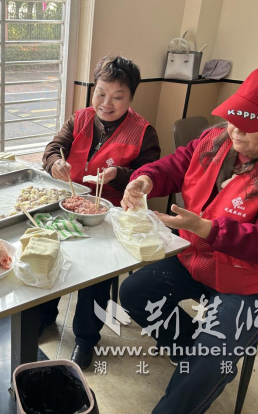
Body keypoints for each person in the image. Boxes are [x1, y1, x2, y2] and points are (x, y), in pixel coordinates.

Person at [119, 65, 258, 413]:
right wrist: (146, 179)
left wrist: (208, 228)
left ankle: (202, 369)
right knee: (135, 292)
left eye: (251, 124)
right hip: (202, 257)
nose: (237, 130)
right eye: (234, 118)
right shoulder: (216, 139)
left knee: (210, 357)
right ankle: (193, 356)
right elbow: (175, 166)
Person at [41, 55, 161, 369]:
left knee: (96, 274)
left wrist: (120, 175)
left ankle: (85, 339)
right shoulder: (79, 119)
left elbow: (150, 176)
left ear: (131, 98)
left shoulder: (143, 132)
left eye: (118, 97)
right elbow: (54, 147)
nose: (106, 103)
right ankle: (44, 315)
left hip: (112, 215)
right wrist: (55, 163)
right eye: (100, 94)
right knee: (50, 251)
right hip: (71, 205)